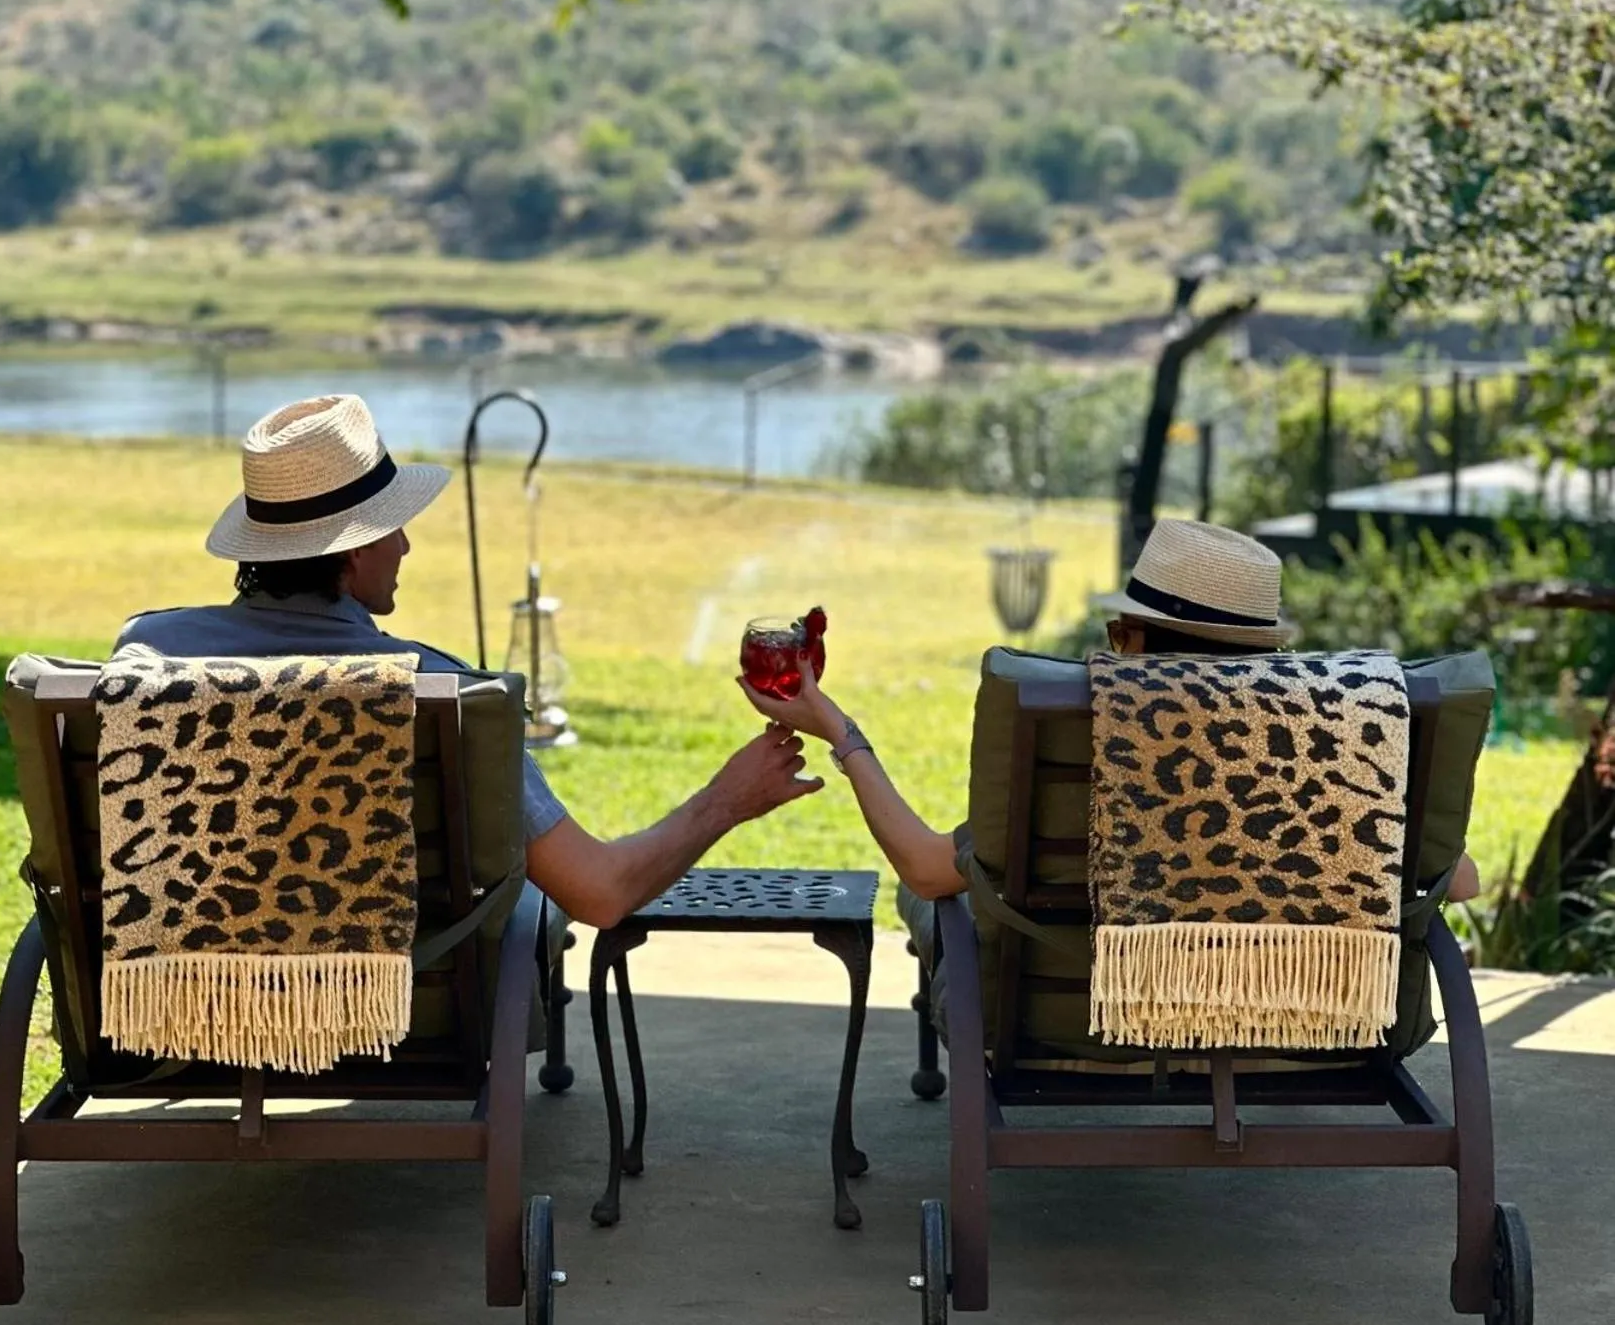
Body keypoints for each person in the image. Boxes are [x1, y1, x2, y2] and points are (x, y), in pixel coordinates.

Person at [116, 392, 822, 928]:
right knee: (529, 918)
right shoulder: (440, 688)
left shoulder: (149, 654)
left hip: (171, 984)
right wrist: (726, 801)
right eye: (396, 528)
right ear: (358, 550)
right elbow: (598, 891)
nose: (407, 548)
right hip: (390, 1001)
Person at [741, 517, 1479, 904]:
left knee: (937, 910)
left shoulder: (1090, 729)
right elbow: (1464, 878)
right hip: (1296, 1022)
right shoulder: (1320, 745)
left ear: (1127, 639)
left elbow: (927, 871)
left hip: (1088, 1013)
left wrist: (838, 730)